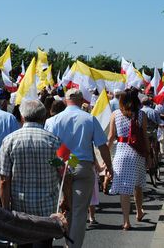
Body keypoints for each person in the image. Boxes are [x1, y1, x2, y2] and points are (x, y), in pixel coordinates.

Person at [45, 88, 114, 247]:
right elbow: (102, 146)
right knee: (79, 211)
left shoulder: (52, 121)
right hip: (82, 166)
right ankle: (73, 245)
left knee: (64, 206)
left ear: (65, 101)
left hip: (58, 166)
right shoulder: (89, 119)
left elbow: (47, 146)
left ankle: (63, 237)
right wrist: (108, 166)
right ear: (82, 100)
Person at [0, 100, 66, 248]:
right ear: (43, 117)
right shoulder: (53, 141)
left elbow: (4, 180)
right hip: (47, 207)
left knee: (22, 243)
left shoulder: (9, 141)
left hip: (20, 208)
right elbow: (64, 172)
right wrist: (67, 198)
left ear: (22, 117)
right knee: (44, 243)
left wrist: (5, 208)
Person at [107, 88, 150, 230]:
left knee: (125, 189)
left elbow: (111, 136)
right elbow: (144, 137)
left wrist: (105, 154)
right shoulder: (141, 115)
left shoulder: (115, 114)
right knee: (137, 185)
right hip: (136, 153)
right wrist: (148, 154)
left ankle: (126, 221)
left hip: (121, 152)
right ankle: (139, 211)